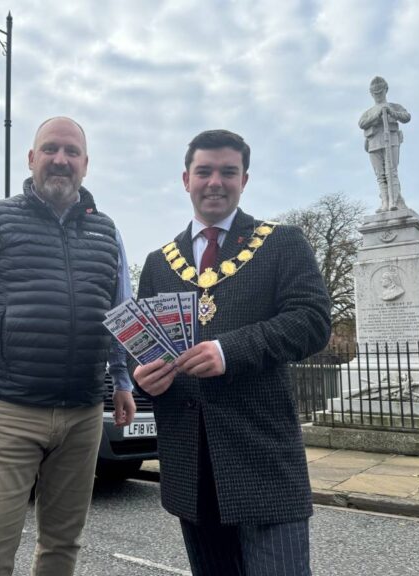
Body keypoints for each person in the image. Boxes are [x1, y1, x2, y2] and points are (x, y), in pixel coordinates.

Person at [0, 116, 136, 576]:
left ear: (86, 164)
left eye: (71, 152)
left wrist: (121, 380)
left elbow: (121, 314)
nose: (61, 160)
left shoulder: (109, 232)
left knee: (62, 547)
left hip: (82, 416)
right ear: (32, 158)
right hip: (8, 412)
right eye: (51, 149)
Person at [133, 129, 331, 575]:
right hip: (191, 469)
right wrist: (140, 374)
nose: (215, 182)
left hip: (263, 463)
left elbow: (313, 321)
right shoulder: (159, 263)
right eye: (204, 171)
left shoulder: (282, 242)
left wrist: (229, 351)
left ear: (245, 180)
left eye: (228, 172)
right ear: (186, 179)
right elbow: (141, 347)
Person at [358, 76, 411, 213]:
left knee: (391, 172)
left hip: (391, 139)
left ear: (386, 90)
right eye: (375, 93)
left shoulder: (394, 106)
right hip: (373, 143)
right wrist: (376, 116)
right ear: (371, 93)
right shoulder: (368, 112)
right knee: (380, 175)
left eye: (380, 92)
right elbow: (361, 123)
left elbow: (406, 117)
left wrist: (391, 112)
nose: (378, 95)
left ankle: (395, 200)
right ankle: (385, 201)